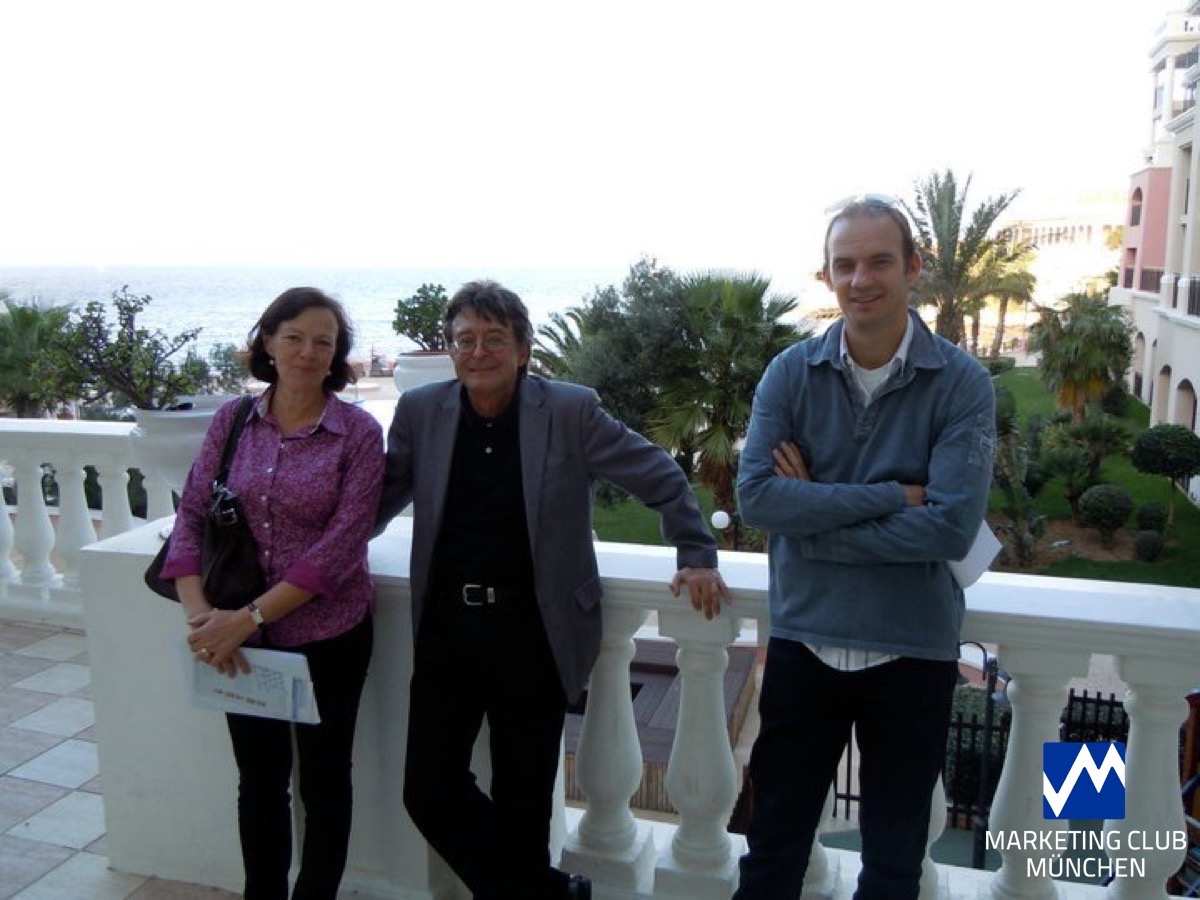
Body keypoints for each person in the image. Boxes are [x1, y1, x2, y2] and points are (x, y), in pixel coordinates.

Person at [377, 279, 731, 900]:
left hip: (534, 634)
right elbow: (379, 497)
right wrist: (303, 555)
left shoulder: (569, 410)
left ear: (523, 350)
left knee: (523, 800)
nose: (478, 352)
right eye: (465, 339)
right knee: (428, 789)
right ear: (451, 349)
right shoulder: (422, 411)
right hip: (447, 631)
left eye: (494, 339)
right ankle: (551, 893)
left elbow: (659, 473)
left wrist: (696, 553)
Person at [732, 197, 996, 899]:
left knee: (893, 867)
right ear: (826, 275)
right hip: (804, 641)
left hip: (912, 652)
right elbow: (757, 499)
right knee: (771, 855)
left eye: (879, 262)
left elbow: (949, 529)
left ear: (913, 267)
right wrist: (889, 497)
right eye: (844, 265)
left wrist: (813, 515)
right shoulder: (790, 373)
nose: (861, 279)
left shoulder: (961, 383)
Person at [160, 287, 384, 900]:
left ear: (336, 354)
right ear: (267, 341)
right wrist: (205, 620)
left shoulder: (357, 434)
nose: (308, 352)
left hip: (329, 636)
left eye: (323, 342)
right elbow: (193, 515)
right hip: (237, 641)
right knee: (258, 782)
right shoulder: (233, 421)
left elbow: (341, 546)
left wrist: (249, 618)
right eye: (295, 337)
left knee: (324, 782)